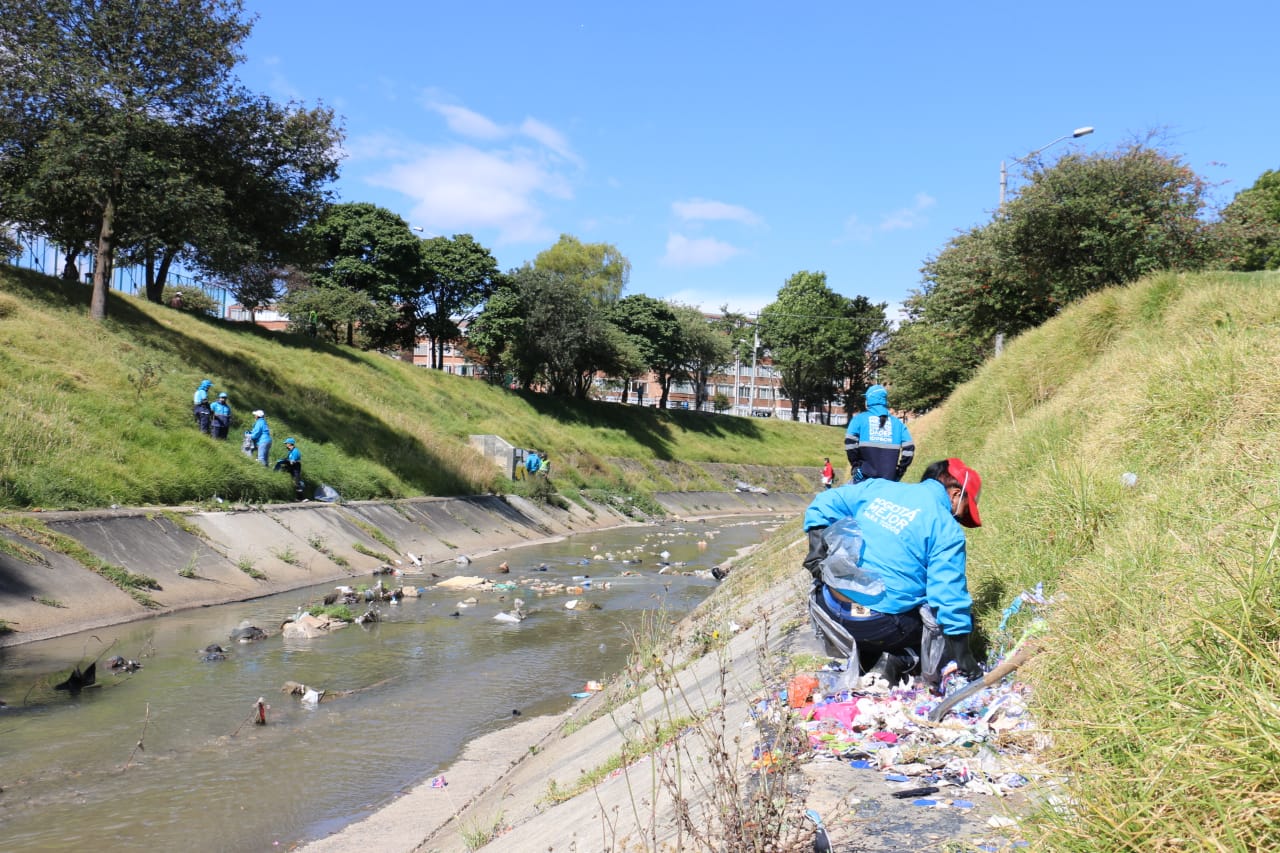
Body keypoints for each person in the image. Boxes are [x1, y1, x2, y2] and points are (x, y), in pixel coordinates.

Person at [802, 458, 984, 689]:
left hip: (830, 610)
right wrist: (964, 656)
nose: (959, 517)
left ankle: (867, 657)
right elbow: (948, 597)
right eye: (964, 511)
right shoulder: (945, 527)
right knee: (945, 620)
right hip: (881, 625)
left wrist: (816, 553)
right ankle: (900, 659)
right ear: (956, 494)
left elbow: (824, 501)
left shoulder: (878, 487)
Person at [844, 384, 914, 483]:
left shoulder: (858, 420)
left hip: (864, 480)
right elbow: (909, 448)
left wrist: (855, 465)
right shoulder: (898, 424)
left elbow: (849, 444)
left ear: (868, 401)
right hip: (889, 482)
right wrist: (899, 471)